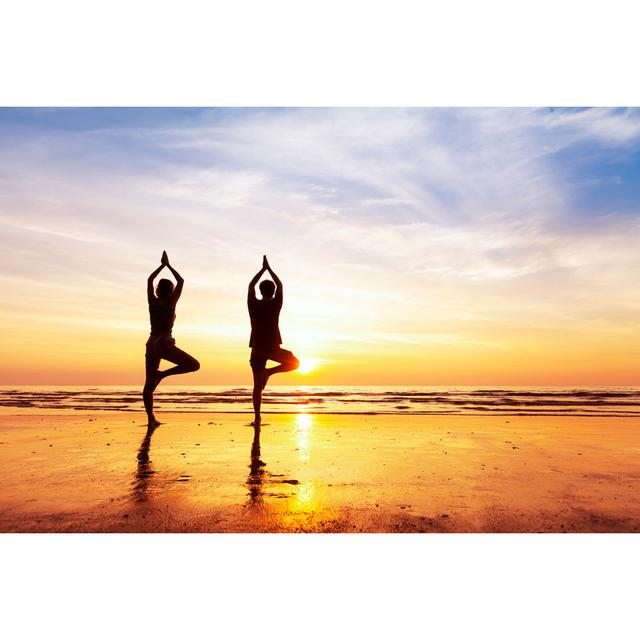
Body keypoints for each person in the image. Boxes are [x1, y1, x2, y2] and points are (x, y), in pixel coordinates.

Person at [143, 251, 200, 426]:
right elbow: (181, 281)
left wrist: (161, 266)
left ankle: (151, 419)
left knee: (148, 384)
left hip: (151, 343)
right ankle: (163, 375)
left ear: (158, 290)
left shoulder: (152, 302)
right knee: (194, 365)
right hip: (164, 342)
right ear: (171, 291)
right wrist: (168, 265)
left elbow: (149, 281)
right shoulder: (170, 303)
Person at [247, 255, 299, 426]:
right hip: (272, 348)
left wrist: (262, 270)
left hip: (257, 350)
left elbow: (250, 286)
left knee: (257, 387)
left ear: (261, 291)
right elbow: (280, 286)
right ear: (272, 292)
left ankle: (257, 418)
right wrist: (269, 269)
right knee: (295, 363)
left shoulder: (253, 304)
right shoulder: (276, 304)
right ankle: (269, 373)